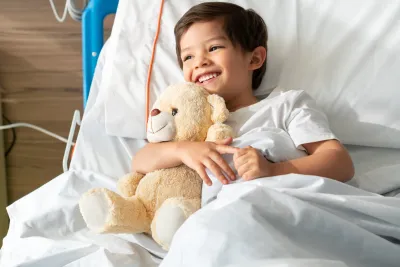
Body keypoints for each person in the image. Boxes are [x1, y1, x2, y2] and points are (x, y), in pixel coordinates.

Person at [132, 2, 354, 186]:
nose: (200, 62)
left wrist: (273, 170)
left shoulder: (286, 105)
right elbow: (140, 161)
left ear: (254, 58)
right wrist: (183, 150)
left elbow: (340, 163)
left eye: (213, 48)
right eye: (188, 57)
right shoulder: (188, 124)